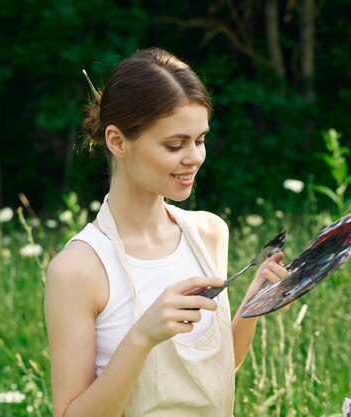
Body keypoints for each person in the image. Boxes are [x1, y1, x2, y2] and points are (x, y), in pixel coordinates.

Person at [44, 47, 289, 417]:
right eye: (175, 145)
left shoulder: (209, 234)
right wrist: (143, 337)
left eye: (200, 140)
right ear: (117, 141)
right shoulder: (79, 269)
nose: (194, 157)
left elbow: (210, 376)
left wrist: (253, 305)